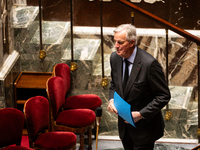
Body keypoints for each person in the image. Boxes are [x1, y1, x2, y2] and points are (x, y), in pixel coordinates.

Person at [107, 24, 171, 150]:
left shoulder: (149, 64)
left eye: (120, 42)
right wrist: (111, 100)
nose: (116, 46)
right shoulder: (115, 58)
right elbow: (114, 84)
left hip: (144, 130)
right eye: (115, 41)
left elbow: (163, 96)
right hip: (124, 129)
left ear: (132, 42)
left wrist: (141, 114)